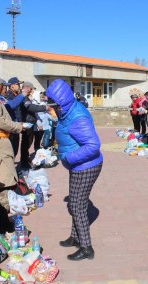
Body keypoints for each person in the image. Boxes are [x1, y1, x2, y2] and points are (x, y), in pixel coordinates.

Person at [46, 79, 103, 261]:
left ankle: (86, 247)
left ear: (61, 102)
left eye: (52, 104)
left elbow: (93, 144)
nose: (50, 108)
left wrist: (69, 158)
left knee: (77, 206)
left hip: (86, 166)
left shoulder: (77, 117)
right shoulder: (67, 111)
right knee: (75, 202)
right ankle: (75, 236)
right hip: (77, 165)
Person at [6, 76, 25, 156]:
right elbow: (12, 107)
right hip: (11, 126)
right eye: (18, 84)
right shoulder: (9, 96)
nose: (19, 86)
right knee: (12, 149)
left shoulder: (17, 95)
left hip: (17, 125)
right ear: (12, 86)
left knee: (15, 147)